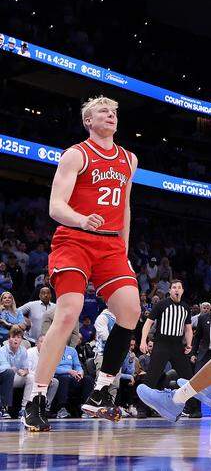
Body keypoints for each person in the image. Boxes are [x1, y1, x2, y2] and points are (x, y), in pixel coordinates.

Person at [27, 96, 143, 432]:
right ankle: (36, 399)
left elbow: (125, 209)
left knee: (131, 310)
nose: (111, 114)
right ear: (87, 121)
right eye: (103, 111)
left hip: (110, 245)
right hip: (74, 239)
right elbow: (55, 206)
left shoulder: (129, 160)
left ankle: (102, 390)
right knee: (68, 312)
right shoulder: (76, 154)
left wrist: (125, 250)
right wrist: (81, 219)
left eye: (115, 112)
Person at [139, 279, 195, 414]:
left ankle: (193, 409)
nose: (176, 289)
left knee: (188, 377)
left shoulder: (186, 307)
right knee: (152, 376)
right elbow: (148, 323)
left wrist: (189, 344)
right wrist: (143, 341)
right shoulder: (161, 305)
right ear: (170, 290)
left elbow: (188, 329)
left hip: (177, 346)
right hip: (161, 344)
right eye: (174, 287)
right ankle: (142, 409)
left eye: (179, 287)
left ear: (182, 291)